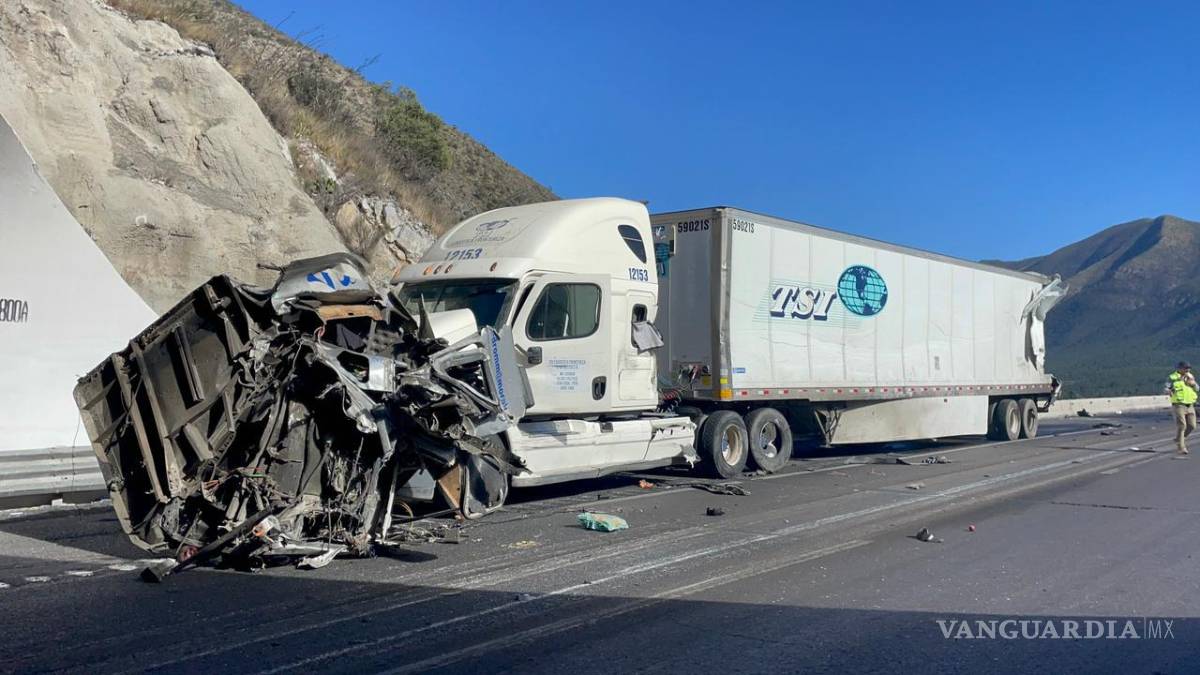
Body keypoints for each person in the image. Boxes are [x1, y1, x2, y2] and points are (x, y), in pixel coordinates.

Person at [1165, 361, 1199, 455]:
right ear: (1179, 368)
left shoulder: (1190, 377)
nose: (1187, 370)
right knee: (1182, 425)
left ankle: (1178, 439)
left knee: (1192, 426)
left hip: (1190, 404)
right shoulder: (1172, 378)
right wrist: (1168, 391)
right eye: (1185, 368)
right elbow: (1166, 388)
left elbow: (1197, 388)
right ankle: (1181, 447)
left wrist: (1193, 384)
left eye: (1188, 368)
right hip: (1178, 404)